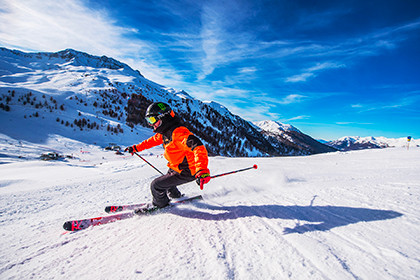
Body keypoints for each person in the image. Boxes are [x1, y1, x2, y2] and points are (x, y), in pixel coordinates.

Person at [124, 102, 211, 208]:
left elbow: (198, 147)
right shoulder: (165, 132)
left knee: (156, 186)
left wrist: (201, 170)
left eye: (152, 120)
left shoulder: (178, 133)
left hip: (187, 170)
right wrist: (136, 148)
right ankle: (176, 196)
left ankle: (160, 205)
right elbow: (151, 141)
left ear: (163, 118)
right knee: (168, 183)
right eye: (148, 121)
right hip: (176, 167)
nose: (151, 124)